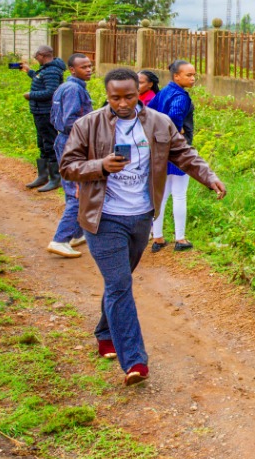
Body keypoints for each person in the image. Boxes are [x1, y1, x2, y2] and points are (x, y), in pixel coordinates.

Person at [60, 68, 225, 384]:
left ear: (140, 93)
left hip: (141, 218)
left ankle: (105, 331)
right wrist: (100, 166)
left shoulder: (159, 123)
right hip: (103, 218)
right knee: (120, 284)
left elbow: (184, 153)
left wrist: (209, 176)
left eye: (129, 96)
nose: (122, 104)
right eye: (115, 98)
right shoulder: (88, 124)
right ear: (107, 96)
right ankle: (135, 361)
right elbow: (67, 166)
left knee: (118, 282)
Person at [46, 53, 94, 259]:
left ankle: (76, 234)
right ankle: (60, 239)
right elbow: (70, 121)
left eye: (90, 66)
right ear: (72, 70)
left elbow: (54, 117)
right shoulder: (74, 89)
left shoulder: (65, 87)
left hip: (63, 141)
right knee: (78, 192)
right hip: (73, 143)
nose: (89, 70)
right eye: (84, 67)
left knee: (72, 189)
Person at [148, 60, 199, 253]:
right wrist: (178, 133)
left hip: (160, 150)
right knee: (179, 194)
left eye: (194, 75)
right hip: (177, 150)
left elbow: (148, 111)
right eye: (189, 75)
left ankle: (158, 237)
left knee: (161, 195)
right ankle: (180, 238)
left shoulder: (164, 92)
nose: (193, 79)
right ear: (176, 76)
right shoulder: (180, 96)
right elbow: (174, 117)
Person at [22, 46, 66, 191]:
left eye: (36, 56)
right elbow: (40, 79)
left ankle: (55, 178)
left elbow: (51, 91)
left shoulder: (52, 71)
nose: (36, 58)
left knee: (50, 144)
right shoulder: (46, 69)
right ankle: (43, 176)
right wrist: (29, 71)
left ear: (43, 55)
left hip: (46, 112)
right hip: (39, 112)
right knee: (42, 143)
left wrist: (31, 95)